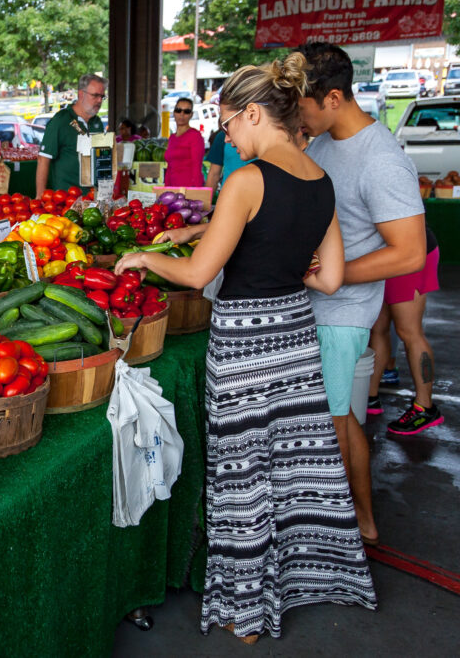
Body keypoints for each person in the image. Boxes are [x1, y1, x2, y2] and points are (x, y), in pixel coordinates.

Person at [115, 52, 375, 642]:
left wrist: (145, 257)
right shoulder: (319, 178)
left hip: (243, 347)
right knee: (287, 470)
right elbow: (331, 278)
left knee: (242, 479)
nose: (226, 135)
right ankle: (293, 583)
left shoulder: (246, 180)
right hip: (295, 339)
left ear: (255, 113)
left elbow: (196, 272)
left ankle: (248, 614)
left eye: (228, 123)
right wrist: (292, 272)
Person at [297, 42, 427, 546]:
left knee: (335, 422)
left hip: (342, 312)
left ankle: (361, 525)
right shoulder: (325, 142)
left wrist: (331, 274)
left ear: (332, 98)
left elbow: (409, 253)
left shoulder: (382, 160)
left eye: (303, 106)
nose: (298, 117)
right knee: (333, 418)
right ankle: (344, 518)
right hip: (315, 302)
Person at [366, 224, 441, 433]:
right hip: (379, 254)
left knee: (409, 331)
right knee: (377, 328)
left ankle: (425, 407)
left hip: (408, 253)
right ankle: (370, 397)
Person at [36, 73, 106, 198]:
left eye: (102, 96)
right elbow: (43, 159)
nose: (99, 101)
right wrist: (40, 197)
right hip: (66, 199)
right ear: (81, 94)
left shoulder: (98, 123)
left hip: (93, 198)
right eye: (95, 95)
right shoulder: (61, 121)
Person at [164, 98, 205, 186]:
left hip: (189, 189)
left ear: (191, 115)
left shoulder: (195, 136)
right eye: (178, 110)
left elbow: (197, 167)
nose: (181, 114)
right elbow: (169, 167)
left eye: (186, 111)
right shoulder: (172, 138)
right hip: (172, 190)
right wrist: (166, 189)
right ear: (174, 112)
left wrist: (197, 192)